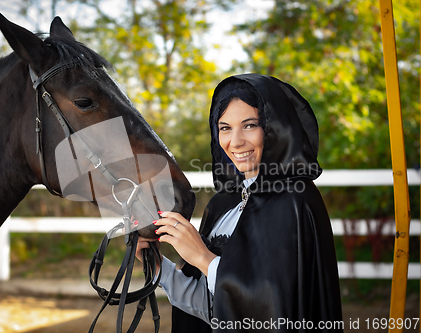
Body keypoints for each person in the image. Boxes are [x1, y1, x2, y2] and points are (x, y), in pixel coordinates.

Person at [137, 73, 343, 332]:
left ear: (275, 129)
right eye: (225, 128)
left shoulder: (296, 201)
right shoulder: (222, 204)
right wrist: (157, 264)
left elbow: (272, 314)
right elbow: (213, 309)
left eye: (249, 125)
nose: (235, 142)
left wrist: (202, 257)